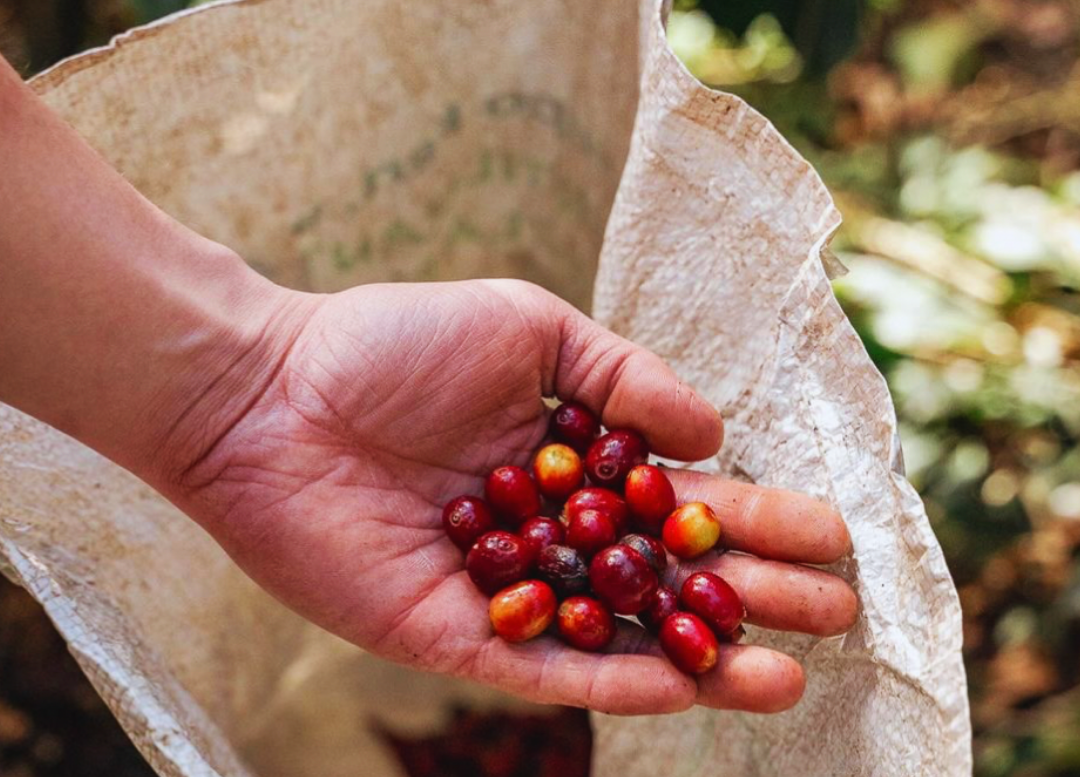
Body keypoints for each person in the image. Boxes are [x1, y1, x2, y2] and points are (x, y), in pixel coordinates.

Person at [0, 55, 858, 716]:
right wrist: (247, 386)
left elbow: (586, 547)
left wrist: (250, 383)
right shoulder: (565, 522)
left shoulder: (572, 527)